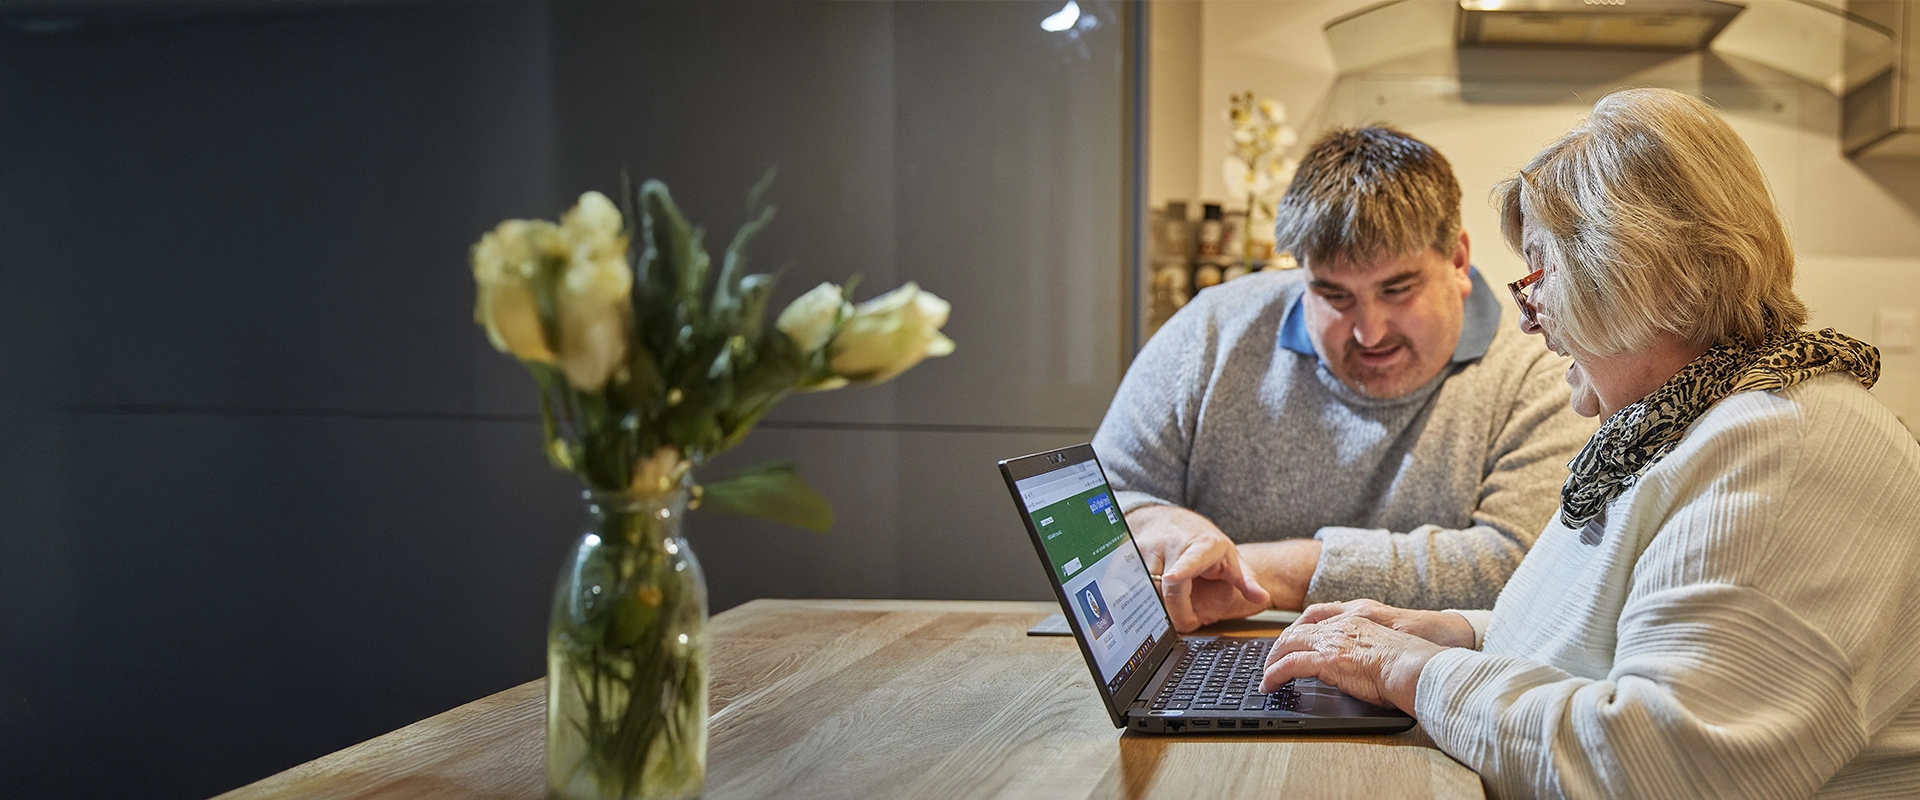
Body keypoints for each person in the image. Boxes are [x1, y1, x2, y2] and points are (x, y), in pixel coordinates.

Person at [1260, 87, 1920, 798]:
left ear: (1646, 279)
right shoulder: (1683, 421)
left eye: (1541, 275)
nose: (1527, 320)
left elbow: (1663, 764)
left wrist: (1406, 670)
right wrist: (1456, 633)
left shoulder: (1784, 451)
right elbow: (1615, 647)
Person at [1093, 127, 1594, 631]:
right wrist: (1157, 525)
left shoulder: (1542, 358)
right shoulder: (1213, 331)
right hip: (1209, 663)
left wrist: (1261, 572)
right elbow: (1097, 503)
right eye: (1334, 296)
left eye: (1397, 289)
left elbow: (1528, 560)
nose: (1369, 331)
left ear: (1458, 260)